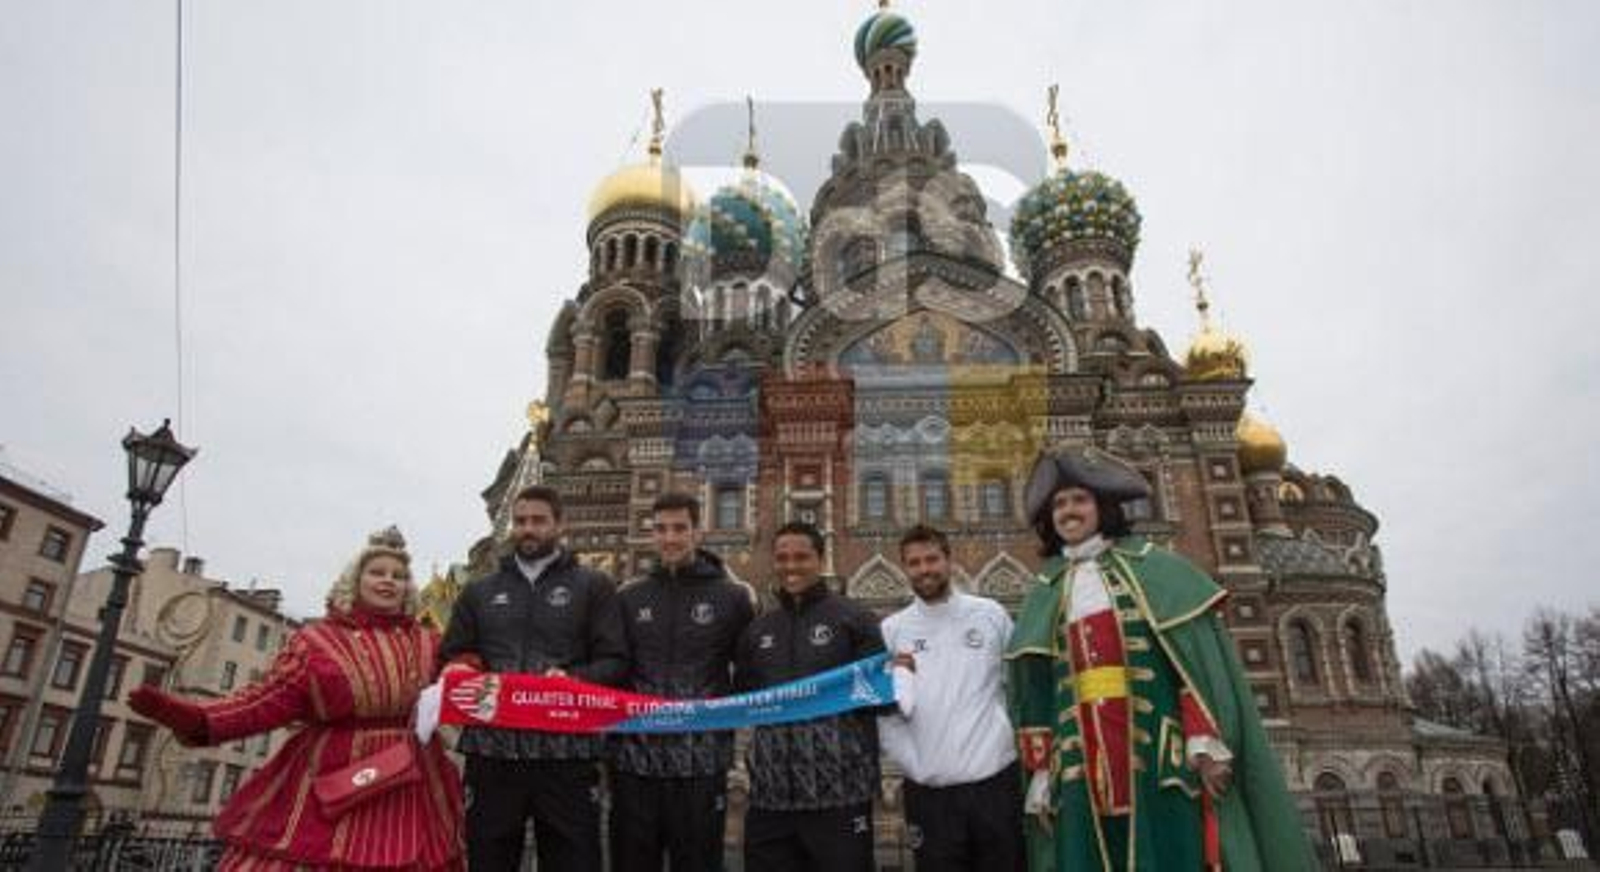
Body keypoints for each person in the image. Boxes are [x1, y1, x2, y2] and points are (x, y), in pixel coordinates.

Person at [1005, 448, 1315, 871]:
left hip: (1154, 750)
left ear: (1103, 507)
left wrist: (1204, 739)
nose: (1069, 511)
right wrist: (1041, 769)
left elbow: (1192, 667)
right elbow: (1035, 687)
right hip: (1078, 761)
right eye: (1059, 504)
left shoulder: (1158, 569)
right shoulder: (1046, 590)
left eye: (1079, 500)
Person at [129, 527, 465, 870]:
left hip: (411, 775)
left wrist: (469, 672)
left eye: (399, 576)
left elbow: (464, 681)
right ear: (356, 579)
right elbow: (268, 700)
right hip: (331, 768)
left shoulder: (429, 642)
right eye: (377, 572)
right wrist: (201, 718)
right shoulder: (317, 640)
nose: (388, 581)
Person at [437, 484, 627, 872]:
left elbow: (616, 662)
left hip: (567, 756)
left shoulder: (593, 586)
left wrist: (573, 679)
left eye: (539, 521)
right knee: (488, 860)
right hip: (492, 754)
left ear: (560, 525)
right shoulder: (479, 591)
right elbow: (453, 655)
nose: (528, 529)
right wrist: (461, 670)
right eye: (521, 521)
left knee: (574, 862)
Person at [610, 492, 756, 871]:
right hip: (634, 763)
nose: (670, 538)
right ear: (652, 535)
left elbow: (752, 670)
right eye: (661, 529)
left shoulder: (733, 598)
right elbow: (613, 668)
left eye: (679, 528)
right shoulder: (628, 597)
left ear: (698, 532)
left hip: (702, 763)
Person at [733, 521, 886, 872]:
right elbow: (743, 699)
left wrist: (899, 673)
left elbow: (880, 700)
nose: (791, 566)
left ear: (820, 558)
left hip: (840, 796)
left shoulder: (854, 619)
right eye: (783, 557)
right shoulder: (758, 630)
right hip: (770, 799)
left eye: (801, 557)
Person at [879, 524, 1025, 872]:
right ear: (905, 569)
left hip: (994, 784)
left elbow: (1016, 685)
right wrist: (912, 763)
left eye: (932, 559)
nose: (924, 569)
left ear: (948, 560)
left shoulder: (989, 614)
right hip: (929, 793)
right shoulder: (892, 630)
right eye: (914, 563)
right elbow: (884, 711)